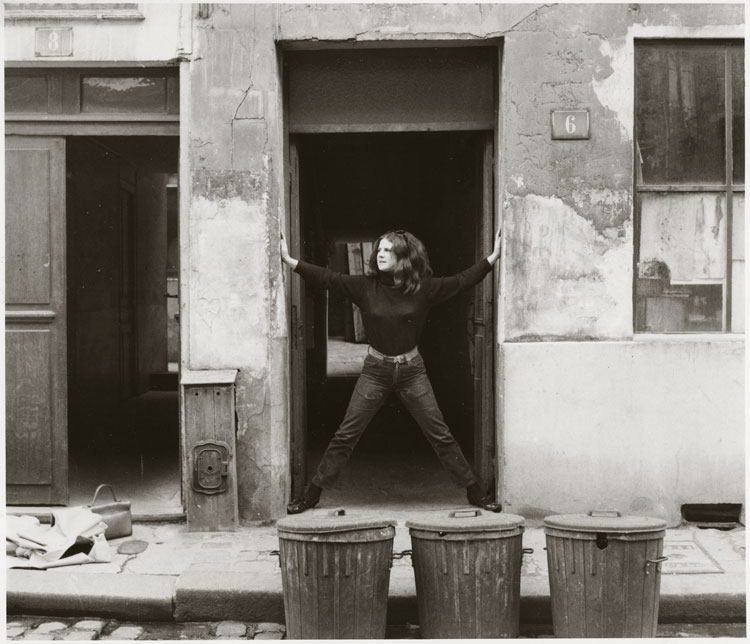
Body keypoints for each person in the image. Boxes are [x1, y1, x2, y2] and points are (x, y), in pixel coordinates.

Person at [280, 228, 503, 514]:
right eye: (379, 249)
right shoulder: (365, 286)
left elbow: (461, 281)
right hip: (376, 370)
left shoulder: (424, 288)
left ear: (404, 258)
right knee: (346, 434)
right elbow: (328, 278)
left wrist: (492, 259)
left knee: (440, 434)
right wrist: (291, 261)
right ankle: (312, 494)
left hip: (412, 371)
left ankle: (476, 493)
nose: (380, 254)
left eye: (388, 250)